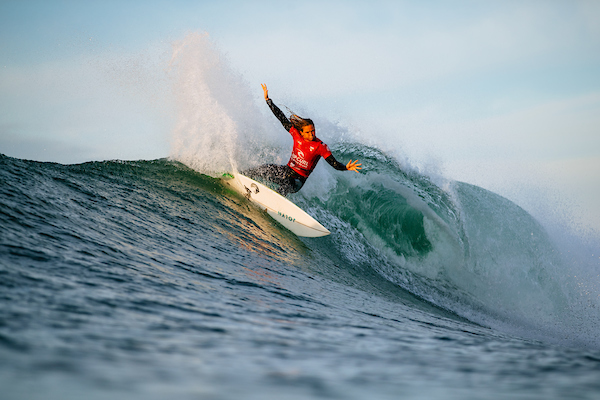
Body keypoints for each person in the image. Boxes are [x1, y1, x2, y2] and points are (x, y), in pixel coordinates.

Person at [244, 84, 361, 196]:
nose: (311, 134)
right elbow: (282, 118)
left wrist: (345, 167)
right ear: (301, 132)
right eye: (308, 132)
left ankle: (270, 203)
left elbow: (334, 163)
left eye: (313, 130)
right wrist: (268, 101)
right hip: (287, 170)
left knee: (286, 185)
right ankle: (240, 175)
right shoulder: (296, 135)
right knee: (264, 169)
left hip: (298, 180)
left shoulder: (320, 147)